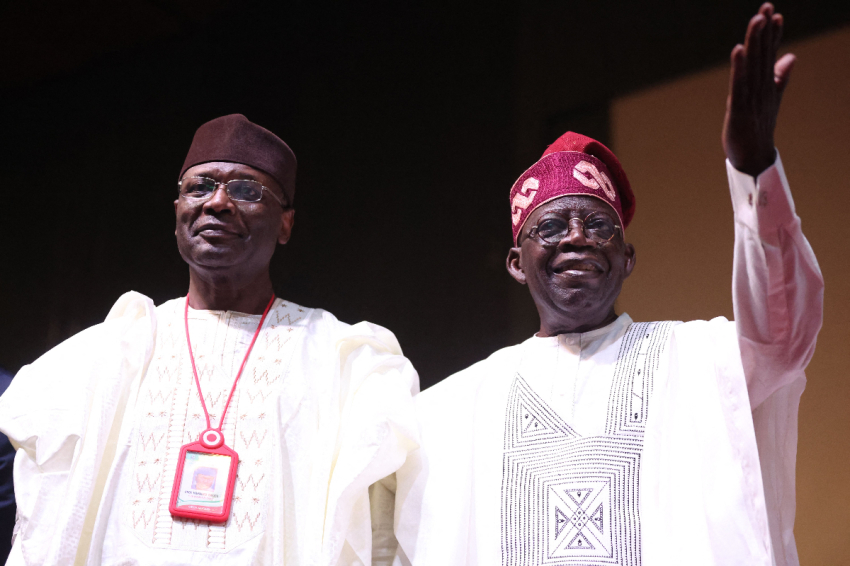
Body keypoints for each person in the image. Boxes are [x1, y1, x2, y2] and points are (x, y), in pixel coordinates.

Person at [393, 4, 822, 566]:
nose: (577, 238)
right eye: (550, 226)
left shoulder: (700, 360)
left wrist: (755, 169)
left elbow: (783, 334)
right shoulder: (449, 412)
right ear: (517, 263)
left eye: (599, 226)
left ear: (627, 259)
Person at [0, 114, 419, 565]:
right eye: (199, 187)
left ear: (286, 224)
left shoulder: (342, 359)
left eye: (245, 190)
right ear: (177, 212)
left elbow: (376, 533)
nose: (217, 203)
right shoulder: (108, 351)